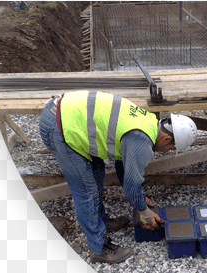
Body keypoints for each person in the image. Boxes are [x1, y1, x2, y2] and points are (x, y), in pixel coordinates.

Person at [38, 90, 198, 263]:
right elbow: (131, 183)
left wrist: (141, 199)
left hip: (65, 114)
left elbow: (125, 167)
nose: (167, 152)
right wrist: (144, 211)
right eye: (171, 148)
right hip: (60, 126)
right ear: (166, 139)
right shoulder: (141, 140)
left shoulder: (149, 122)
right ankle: (99, 248)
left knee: (96, 170)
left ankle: (101, 222)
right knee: (86, 191)